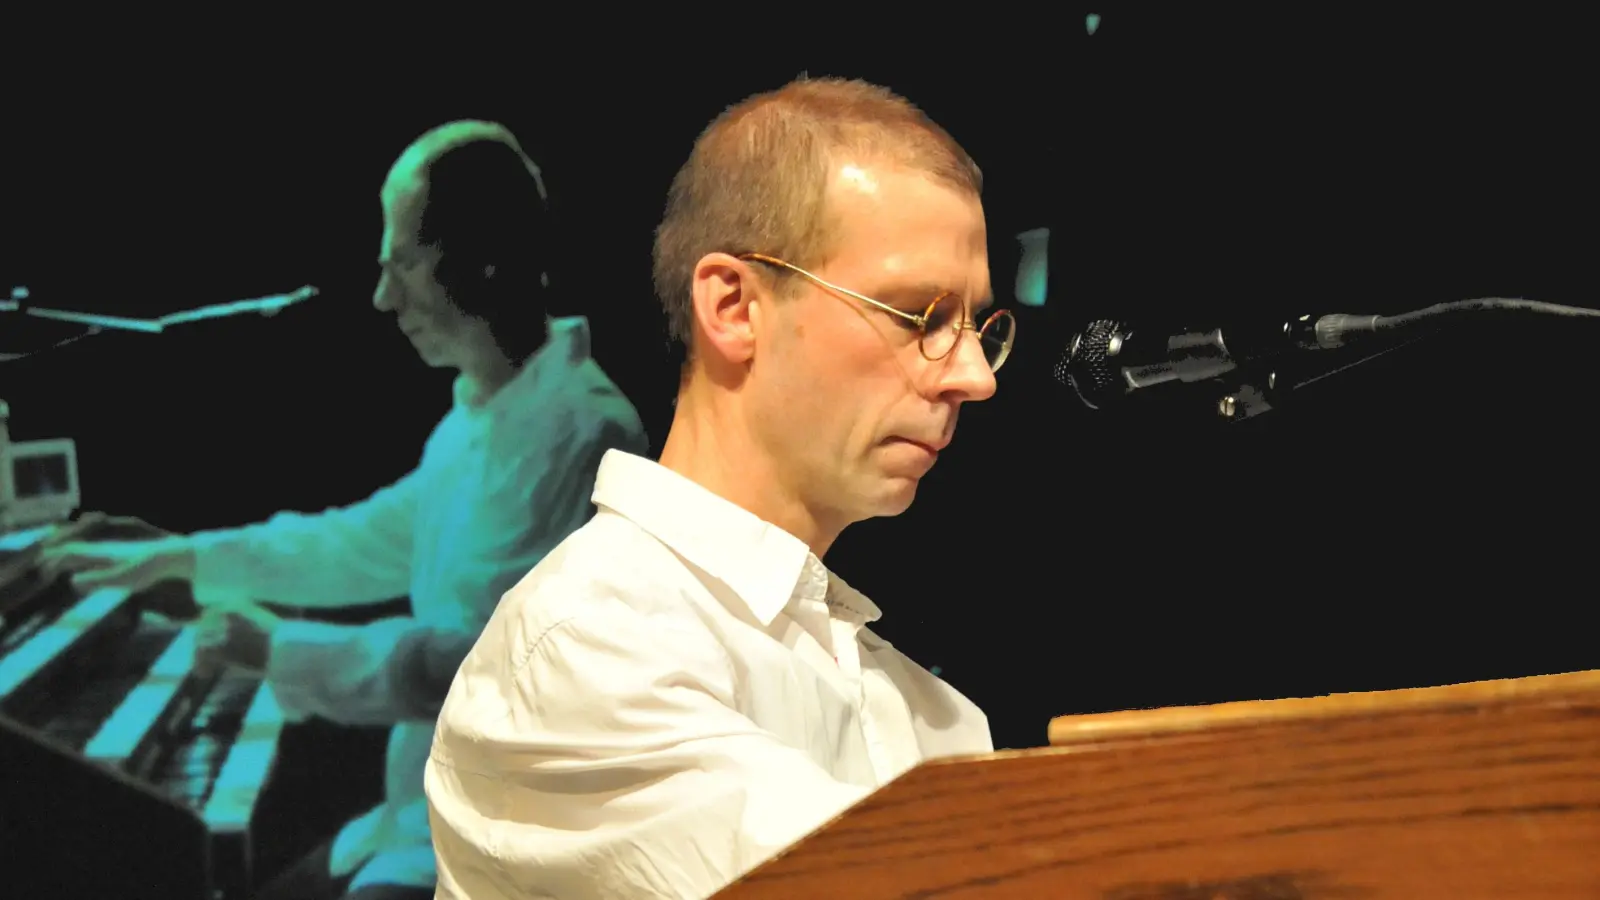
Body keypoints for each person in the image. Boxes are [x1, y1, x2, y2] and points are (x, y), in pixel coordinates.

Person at [426, 77, 1017, 899]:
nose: (975, 376)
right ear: (734, 307)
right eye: (920, 316)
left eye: (979, 327)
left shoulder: (931, 710)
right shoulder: (585, 647)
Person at [39, 120, 648, 900]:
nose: (383, 298)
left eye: (402, 264)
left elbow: (478, 672)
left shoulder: (582, 434)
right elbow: (357, 542)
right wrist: (180, 557)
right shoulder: (484, 415)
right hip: (417, 815)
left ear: (482, 260)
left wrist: (275, 647)